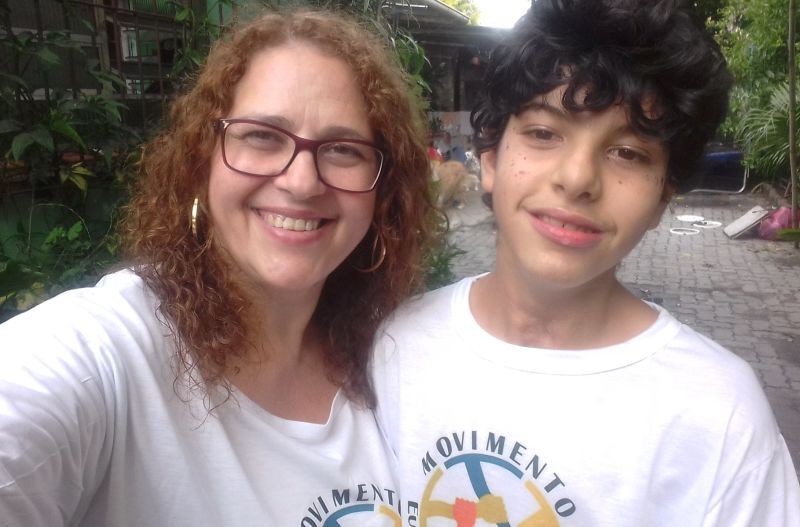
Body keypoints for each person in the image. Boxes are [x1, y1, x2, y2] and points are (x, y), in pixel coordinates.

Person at [0, 9, 435, 526]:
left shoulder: (392, 364)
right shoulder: (109, 350)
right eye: (262, 136)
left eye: (343, 149)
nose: (302, 182)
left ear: (383, 191)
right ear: (202, 158)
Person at [372, 1, 800, 525]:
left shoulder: (719, 418)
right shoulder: (395, 348)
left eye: (628, 153)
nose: (577, 179)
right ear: (491, 159)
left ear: (663, 198)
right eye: (543, 133)